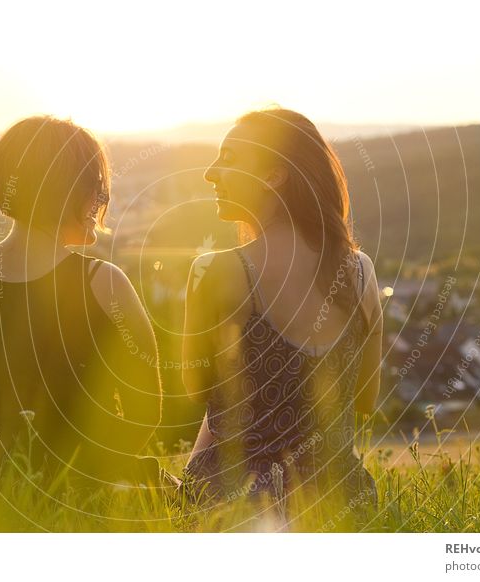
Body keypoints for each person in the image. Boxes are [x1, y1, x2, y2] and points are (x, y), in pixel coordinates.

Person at [0, 116, 162, 488]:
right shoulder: (104, 283)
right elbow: (145, 413)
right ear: (77, 192)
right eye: (98, 187)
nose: (102, 200)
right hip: (88, 490)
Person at [180, 108, 383, 527]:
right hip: (339, 504)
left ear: (274, 176)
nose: (210, 174)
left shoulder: (219, 270)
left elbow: (198, 391)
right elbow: (363, 401)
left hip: (236, 505)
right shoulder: (362, 271)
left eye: (229, 159)